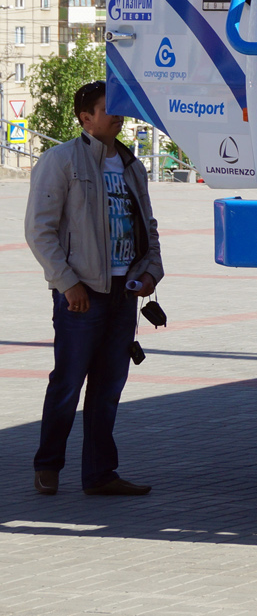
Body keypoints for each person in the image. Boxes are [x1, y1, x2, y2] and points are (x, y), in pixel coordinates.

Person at [26, 81, 162, 496]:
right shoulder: (61, 161)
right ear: (86, 119)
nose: (118, 116)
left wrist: (152, 271)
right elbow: (39, 231)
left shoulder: (131, 166)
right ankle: (48, 466)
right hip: (81, 296)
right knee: (67, 385)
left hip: (124, 294)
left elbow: (148, 229)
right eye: (109, 109)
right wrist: (68, 285)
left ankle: (101, 475)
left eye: (120, 109)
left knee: (107, 390)